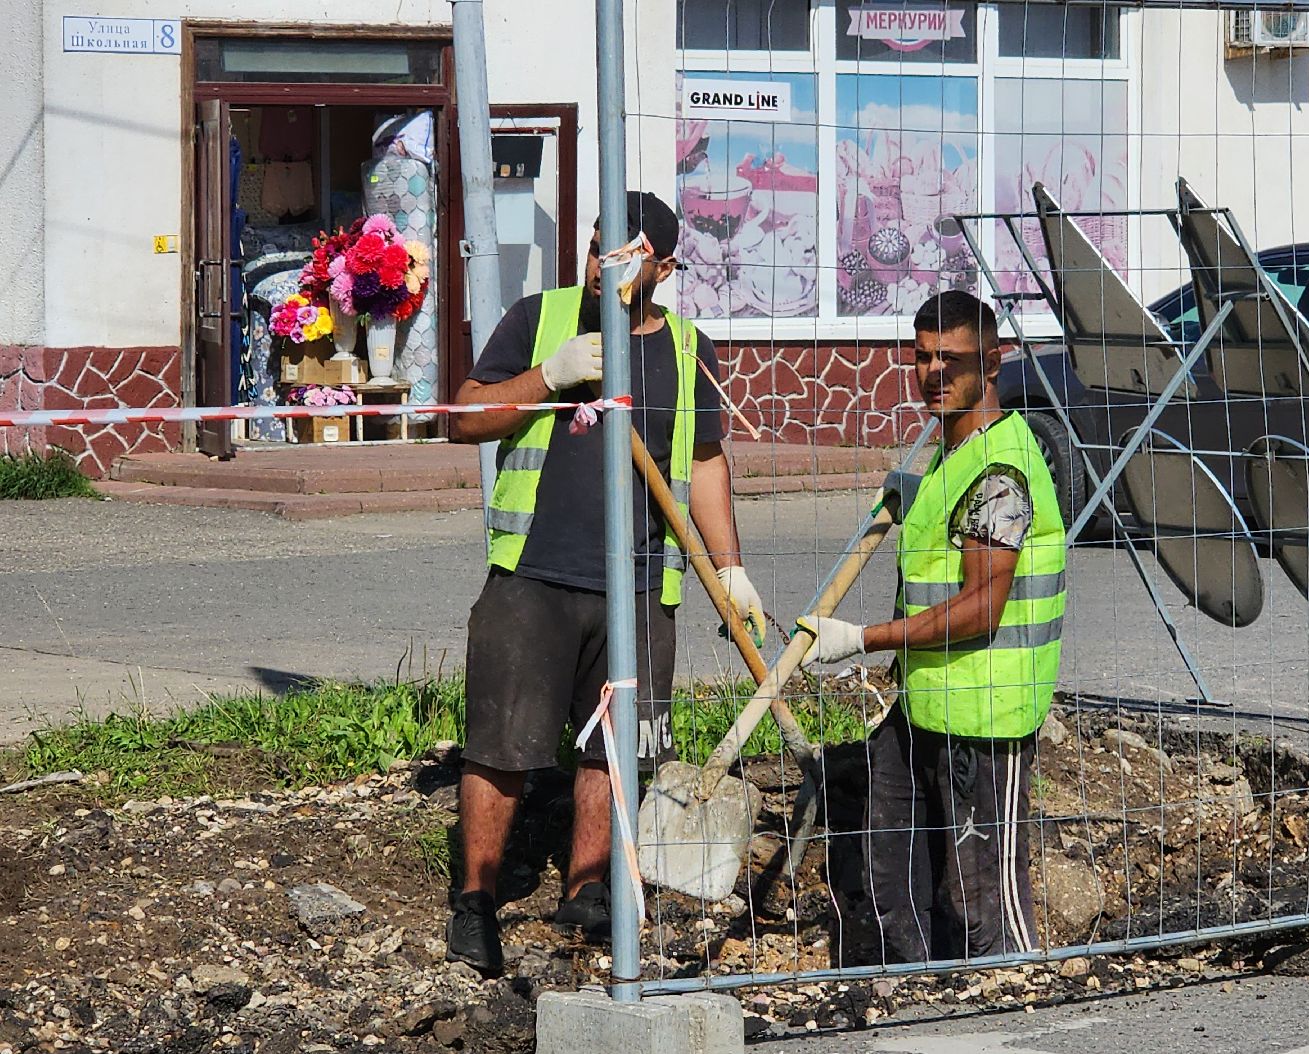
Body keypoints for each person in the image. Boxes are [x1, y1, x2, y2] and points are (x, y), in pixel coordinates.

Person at [445, 192, 765, 976]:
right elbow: (463, 416)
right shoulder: (542, 318)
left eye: (621, 253)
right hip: (534, 577)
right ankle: (476, 901)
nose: (602, 264)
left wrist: (729, 568)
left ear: (662, 264)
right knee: (501, 744)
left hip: (641, 587)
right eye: (596, 247)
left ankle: (589, 890)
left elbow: (703, 463)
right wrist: (548, 376)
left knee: (616, 752)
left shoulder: (690, 350)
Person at [796, 290, 1066, 962]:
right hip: (924, 700)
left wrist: (860, 639)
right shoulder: (957, 456)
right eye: (922, 358)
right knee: (892, 872)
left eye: (953, 359)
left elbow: (980, 609)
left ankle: (1017, 997)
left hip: (986, 713)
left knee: (985, 898)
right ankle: (918, 992)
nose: (934, 374)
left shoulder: (999, 472)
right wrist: (918, 498)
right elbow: (949, 549)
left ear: (994, 362)